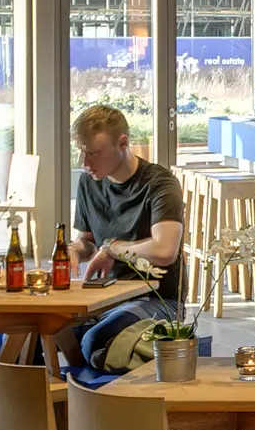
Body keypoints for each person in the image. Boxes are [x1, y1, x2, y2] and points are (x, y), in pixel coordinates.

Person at [70, 104, 188, 301]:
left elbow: (165, 250)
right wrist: (73, 250)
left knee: (97, 334)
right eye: (81, 152)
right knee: (40, 327)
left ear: (123, 143)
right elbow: (88, 241)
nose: (85, 163)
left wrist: (112, 249)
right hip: (105, 295)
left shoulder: (159, 183)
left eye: (94, 153)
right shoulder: (88, 181)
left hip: (155, 298)